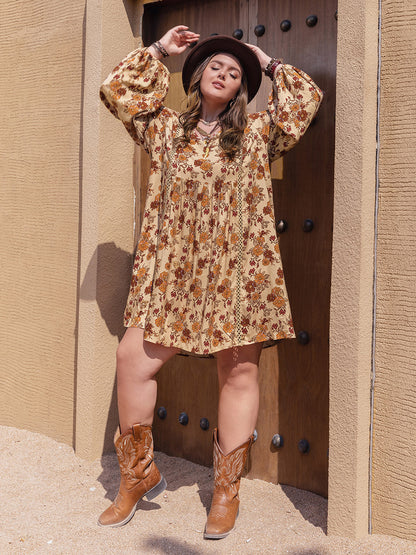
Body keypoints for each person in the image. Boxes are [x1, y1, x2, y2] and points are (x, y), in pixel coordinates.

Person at [98, 25, 323, 538]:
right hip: (172, 269)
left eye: (235, 71)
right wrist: (159, 51)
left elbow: (306, 100)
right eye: (216, 66)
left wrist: (266, 62)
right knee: (132, 358)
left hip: (238, 270)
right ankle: (135, 475)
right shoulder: (163, 129)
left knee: (239, 372)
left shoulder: (258, 133)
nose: (224, 73)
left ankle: (226, 491)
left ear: (243, 86)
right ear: (198, 76)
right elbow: (116, 88)